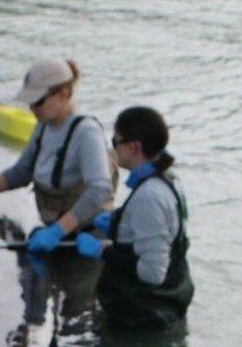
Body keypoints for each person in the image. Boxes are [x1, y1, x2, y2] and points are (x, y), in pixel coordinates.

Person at [0, 58, 113, 253]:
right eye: (30, 103)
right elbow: (21, 173)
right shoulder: (44, 126)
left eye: (38, 102)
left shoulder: (86, 132)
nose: (32, 109)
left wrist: (57, 232)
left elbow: (100, 189)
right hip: (54, 231)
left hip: (84, 240)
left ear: (63, 94)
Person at [74, 106, 193, 330]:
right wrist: (119, 224)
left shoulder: (149, 197)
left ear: (134, 147)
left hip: (142, 316)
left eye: (115, 140)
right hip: (169, 305)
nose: (113, 147)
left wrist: (101, 250)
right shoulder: (170, 180)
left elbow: (153, 273)